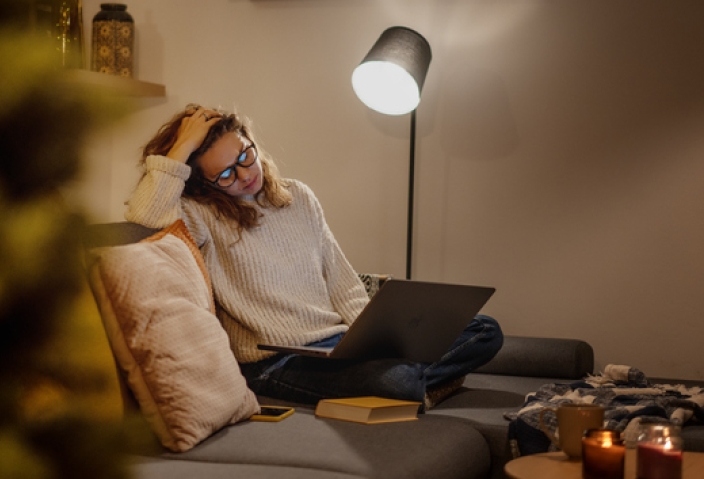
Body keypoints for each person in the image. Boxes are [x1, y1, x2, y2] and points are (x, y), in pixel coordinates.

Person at [125, 104, 503, 408]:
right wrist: (182, 147)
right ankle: (418, 384)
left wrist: (375, 340)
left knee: (485, 330)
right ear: (202, 183)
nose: (243, 174)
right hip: (275, 362)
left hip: (336, 344)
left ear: (251, 141)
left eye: (244, 155)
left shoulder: (298, 197)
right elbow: (143, 219)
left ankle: (414, 385)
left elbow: (342, 282)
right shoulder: (200, 215)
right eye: (225, 174)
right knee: (397, 381)